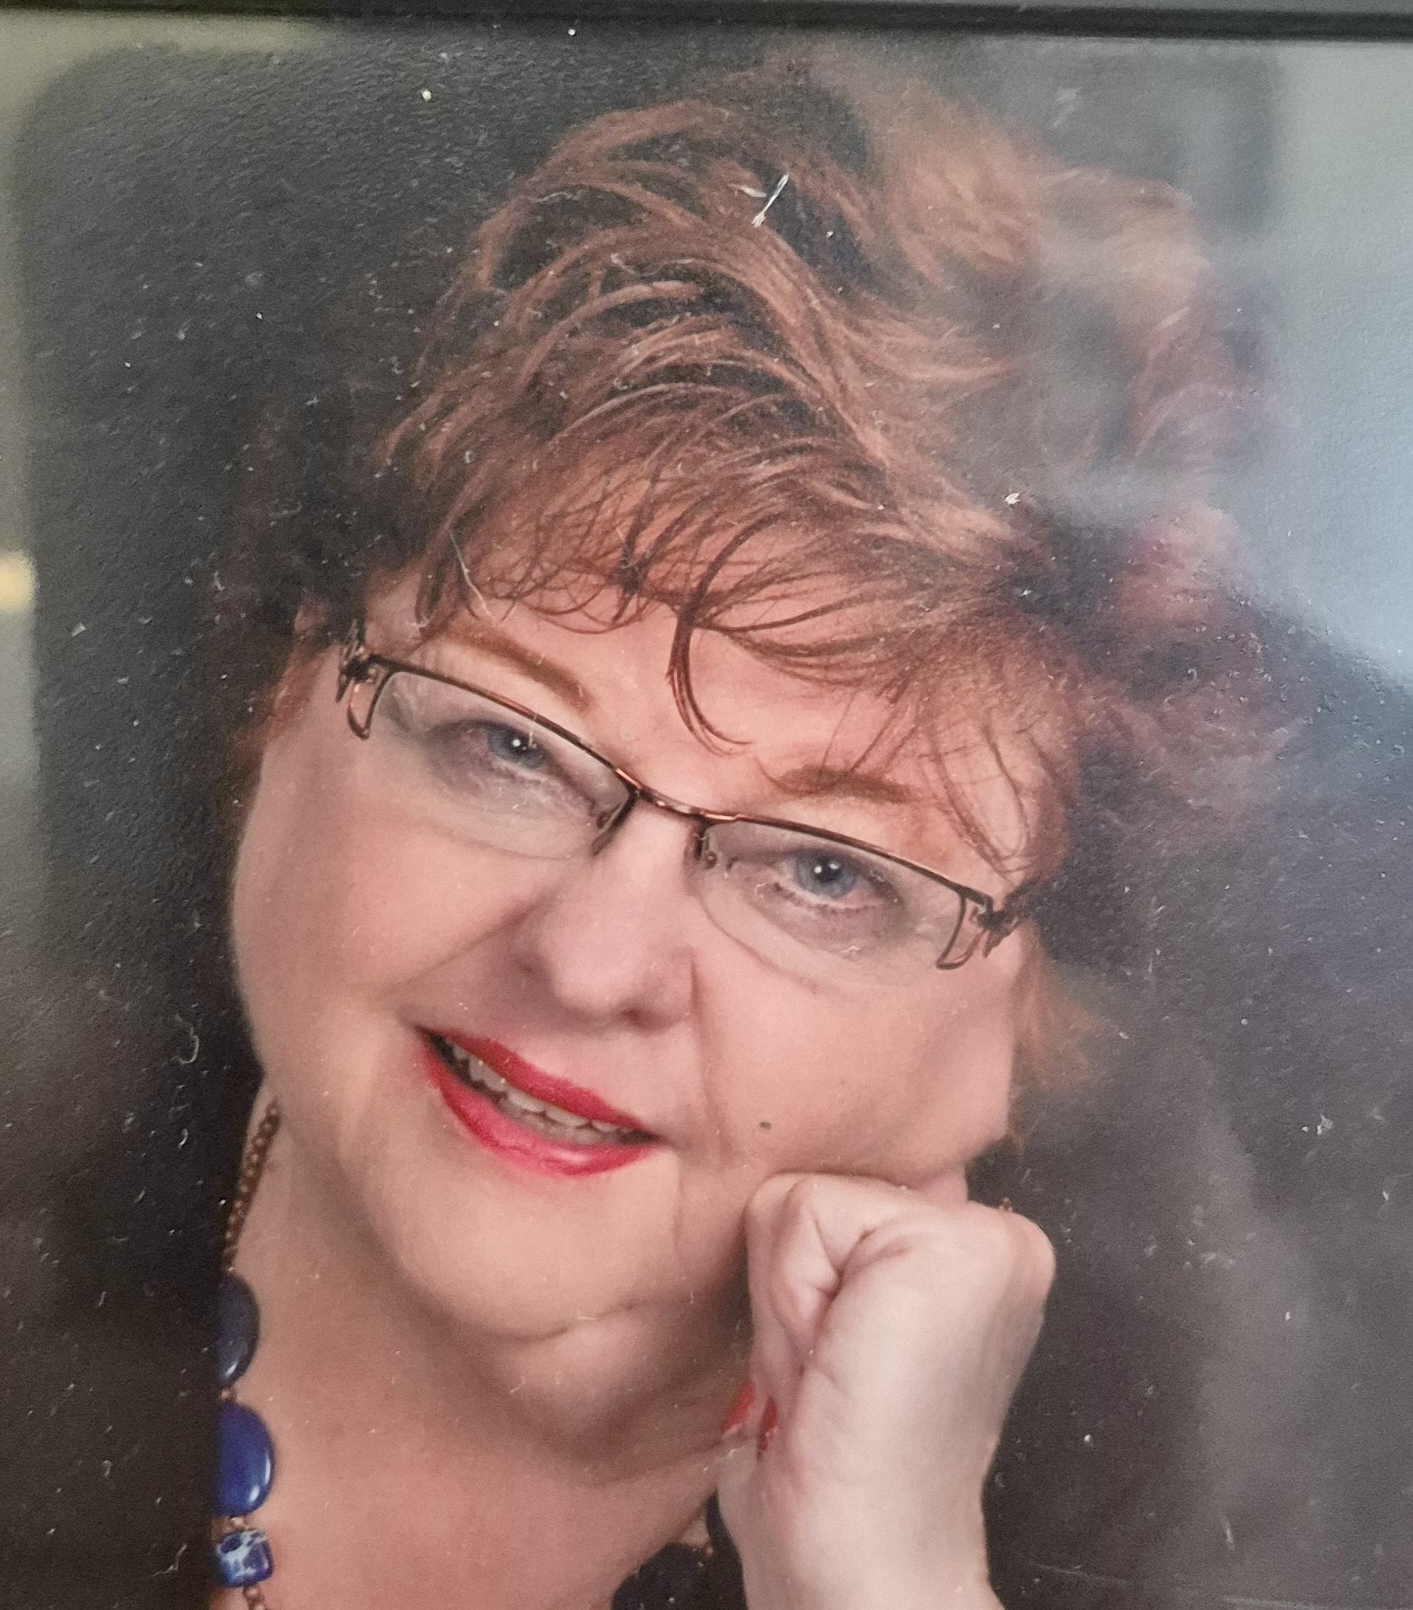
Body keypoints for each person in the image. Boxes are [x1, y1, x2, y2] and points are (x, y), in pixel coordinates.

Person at [213, 61, 1268, 1610]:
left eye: (824, 873)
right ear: (287, 692)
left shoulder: (1172, 1504)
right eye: (508, 744)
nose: (591, 960)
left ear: (1028, 1024)